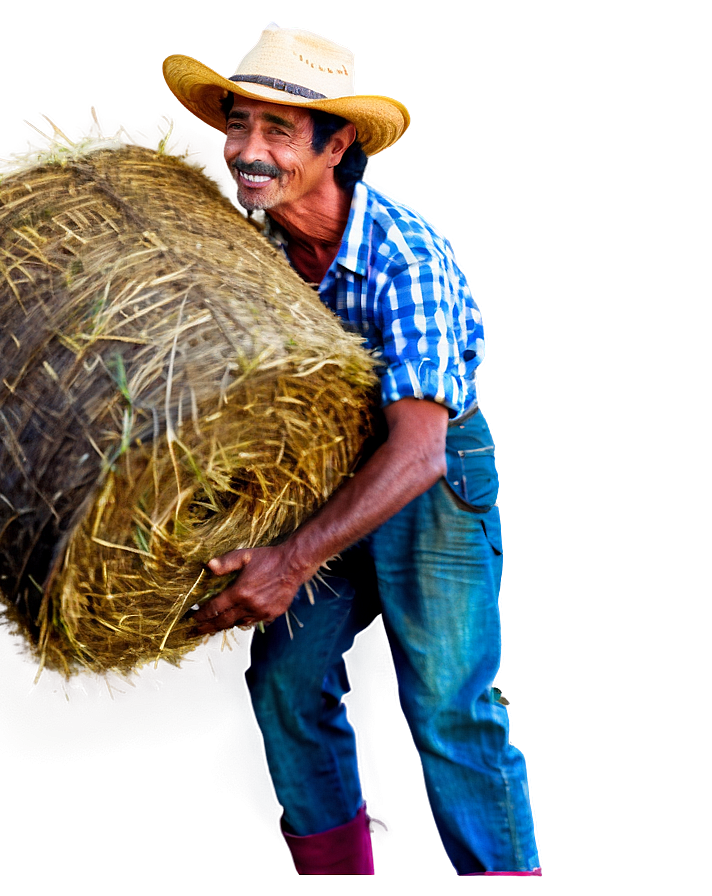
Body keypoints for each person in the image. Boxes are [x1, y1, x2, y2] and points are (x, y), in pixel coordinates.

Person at [162, 22, 542, 878]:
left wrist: (291, 560)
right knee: (284, 684)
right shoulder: (252, 247)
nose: (247, 153)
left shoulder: (406, 256)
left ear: (337, 146)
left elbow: (417, 454)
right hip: (329, 468)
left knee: (450, 703)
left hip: (429, 465)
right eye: (238, 126)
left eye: (278, 132)